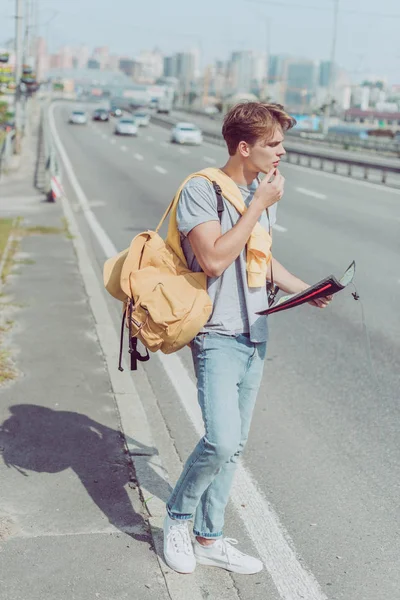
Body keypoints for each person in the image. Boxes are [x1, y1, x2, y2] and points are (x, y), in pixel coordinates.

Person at [163, 102, 331, 575]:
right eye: (273, 144)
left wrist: (304, 288)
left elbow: (257, 257)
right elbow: (215, 259)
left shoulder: (259, 190)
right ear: (244, 147)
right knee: (219, 441)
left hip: (255, 332)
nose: (282, 152)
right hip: (216, 333)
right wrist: (258, 206)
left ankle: (209, 535)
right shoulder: (203, 190)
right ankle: (177, 517)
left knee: (234, 447)